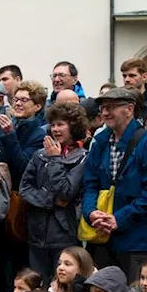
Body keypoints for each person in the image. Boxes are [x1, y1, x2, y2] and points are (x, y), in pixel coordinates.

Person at [82, 87, 147, 278]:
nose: (105, 112)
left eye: (111, 107)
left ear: (129, 109)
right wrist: (91, 213)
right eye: (103, 108)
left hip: (138, 240)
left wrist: (119, 219)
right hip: (102, 237)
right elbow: (90, 184)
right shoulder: (101, 142)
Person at [20, 102, 88, 281]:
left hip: (63, 233)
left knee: (62, 283)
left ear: (73, 127)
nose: (55, 129)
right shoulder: (39, 155)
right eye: (53, 124)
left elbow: (66, 191)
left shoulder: (82, 157)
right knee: (37, 283)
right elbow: (25, 188)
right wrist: (51, 200)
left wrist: (55, 159)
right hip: (36, 233)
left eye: (61, 124)